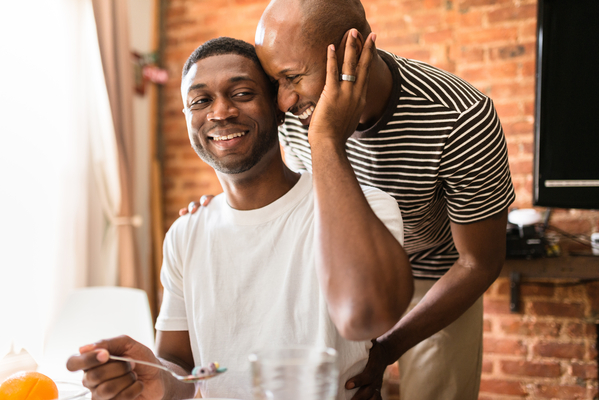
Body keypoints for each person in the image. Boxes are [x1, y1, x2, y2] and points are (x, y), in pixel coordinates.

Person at [183, 0, 515, 398]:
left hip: (436, 277)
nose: (283, 101)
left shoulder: (460, 116)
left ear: (351, 51)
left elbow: (478, 262)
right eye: (275, 82)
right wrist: (217, 211)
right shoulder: (295, 110)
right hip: (341, 265)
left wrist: (387, 347)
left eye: (292, 77)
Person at [66, 36, 414, 400]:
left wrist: (324, 138)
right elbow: (179, 363)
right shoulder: (186, 234)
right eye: (200, 101)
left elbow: (372, 314)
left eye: (242, 93)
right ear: (187, 118)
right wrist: (150, 378)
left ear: (279, 106)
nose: (220, 112)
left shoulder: (368, 209)